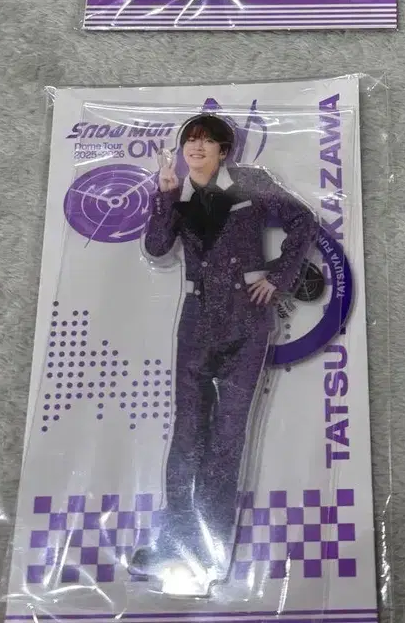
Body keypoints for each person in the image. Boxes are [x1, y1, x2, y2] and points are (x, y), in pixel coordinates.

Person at [130, 113, 317, 590]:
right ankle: (174, 541)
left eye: (206, 141)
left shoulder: (250, 183)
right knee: (187, 434)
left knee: (227, 438)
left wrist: (279, 277)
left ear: (223, 150)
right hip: (197, 321)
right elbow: (157, 246)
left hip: (246, 321)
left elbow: (303, 221)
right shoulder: (177, 192)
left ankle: (211, 552)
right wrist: (164, 197)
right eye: (190, 141)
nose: (196, 148)